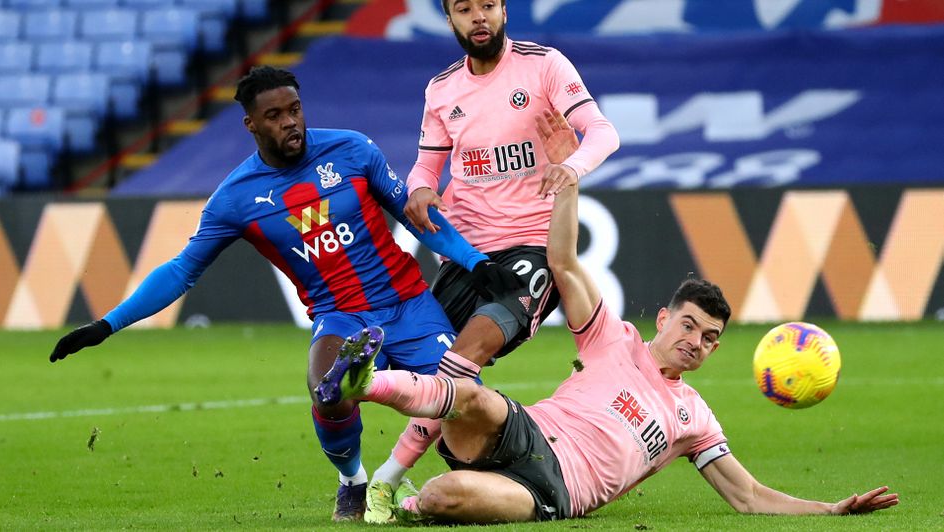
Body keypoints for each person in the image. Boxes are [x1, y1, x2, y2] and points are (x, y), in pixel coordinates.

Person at [314, 110, 900, 523]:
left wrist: (832, 509)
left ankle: (401, 498)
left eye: (710, 338)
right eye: (690, 325)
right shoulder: (610, 339)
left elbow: (747, 498)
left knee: (443, 498)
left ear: (716, 351)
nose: (696, 341)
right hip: (526, 430)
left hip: (557, 492)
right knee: (471, 393)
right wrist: (567, 174)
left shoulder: (694, 419)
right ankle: (365, 383)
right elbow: (563, 263)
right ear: (664, 319)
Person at [47, 66, 525, 522]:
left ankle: (413, 478)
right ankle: (354, 479)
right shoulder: (235, 198)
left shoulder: (352, 149)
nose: (290, 122)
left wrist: (475, 261)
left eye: (294, 109)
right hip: (340, 316)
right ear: (250, 124)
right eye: (274, 116)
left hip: (409, 303)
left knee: (464, 401)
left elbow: (415, 215)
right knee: (329, 392)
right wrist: (106, 324)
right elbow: (181, 271)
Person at [363, 0, 621, 520]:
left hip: (532, 250)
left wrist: (570, 166)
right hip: (468, 255)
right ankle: (455, 465)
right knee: (432, 367)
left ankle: (386, 482)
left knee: (463, 357)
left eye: (488, 5)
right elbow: (426, 167)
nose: (478, 16)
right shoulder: (442, 89)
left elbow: (604, 132)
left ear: (504, 10)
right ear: (450, 17)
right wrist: (419, 191)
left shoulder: (544, 64)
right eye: (465, 8)